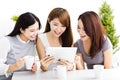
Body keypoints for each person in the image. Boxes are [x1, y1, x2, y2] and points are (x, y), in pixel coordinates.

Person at [0, 12, 41, 80]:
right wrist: (14, 66)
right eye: (32, 30)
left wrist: (37, 65)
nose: (35, 33)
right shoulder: (6, 41)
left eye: (37, 29)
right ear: (21, 29)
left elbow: (38, 59)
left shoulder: (34, 41)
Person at [36, 7, 75, 71]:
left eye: (63, 26)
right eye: (55, 24)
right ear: (49, 21)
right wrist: (43, 66)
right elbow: (44, 68)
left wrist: (71, 66)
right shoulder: (41, 38)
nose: (58, 29)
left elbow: (72, 64)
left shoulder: (69, 39)